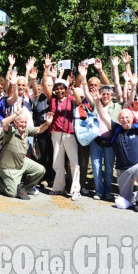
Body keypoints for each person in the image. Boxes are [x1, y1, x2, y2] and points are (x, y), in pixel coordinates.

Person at [92, 84, 138, 212]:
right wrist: (97, 101)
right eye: (122, 118)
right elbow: (103, 115)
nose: (125, 120)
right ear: (118, 119)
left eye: (127, 117)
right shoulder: (116, 129)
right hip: (123, 169)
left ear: (132, 118)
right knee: (123, 201)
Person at [41, 57, 81, 200]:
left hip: (69, 133)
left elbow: (79, 101)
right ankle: (58, 187)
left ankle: (76, 189)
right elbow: (45, 85)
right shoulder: (52, 99)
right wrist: (46, 69)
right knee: (57, 162)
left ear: (65, 89)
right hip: (56, 133)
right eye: (57, 88)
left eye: (62, 88)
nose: (59, 90)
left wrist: (73, 87)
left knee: (73, 161)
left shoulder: (70, 99)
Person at [0, 109, 53, 199]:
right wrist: (17, 113)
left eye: (25, 122)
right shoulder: (10, 131)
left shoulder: (27, 130)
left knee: (41, 170)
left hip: (22, 163)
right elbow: (4, 122)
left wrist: (47, 123)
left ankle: (26, 188)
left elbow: (40, 129)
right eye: (21, 122)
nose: (24, 125)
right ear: (15, 122)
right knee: (13, 193)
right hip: (9, 168)